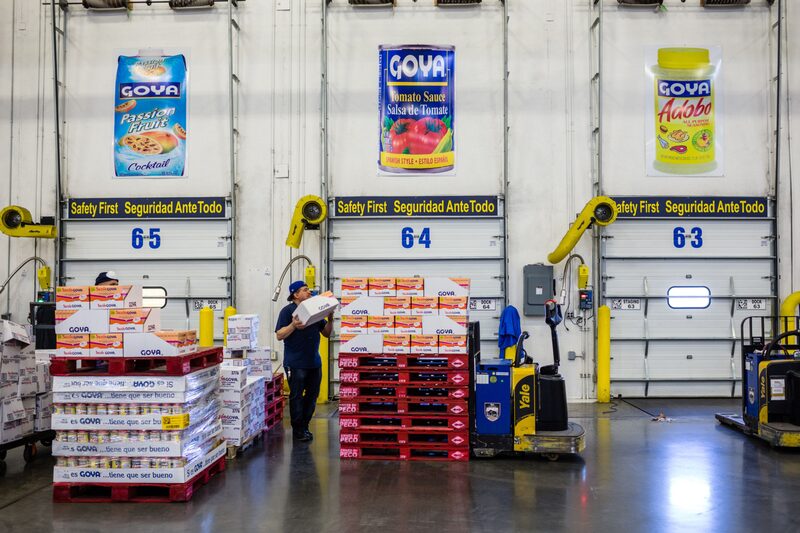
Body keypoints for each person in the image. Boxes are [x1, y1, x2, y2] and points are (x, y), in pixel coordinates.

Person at [275, 281, 333, 442]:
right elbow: (279, 335)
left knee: (312, 396)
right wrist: (293, 325)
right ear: (296, 294)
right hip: (295, 362)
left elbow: (327, 334)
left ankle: (305, 426)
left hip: (314, 362)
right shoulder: (287, 311)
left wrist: (331, 319)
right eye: (305, 290)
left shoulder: (314, 311)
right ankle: (298, 430)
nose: (309, 292)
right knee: (296, 396)